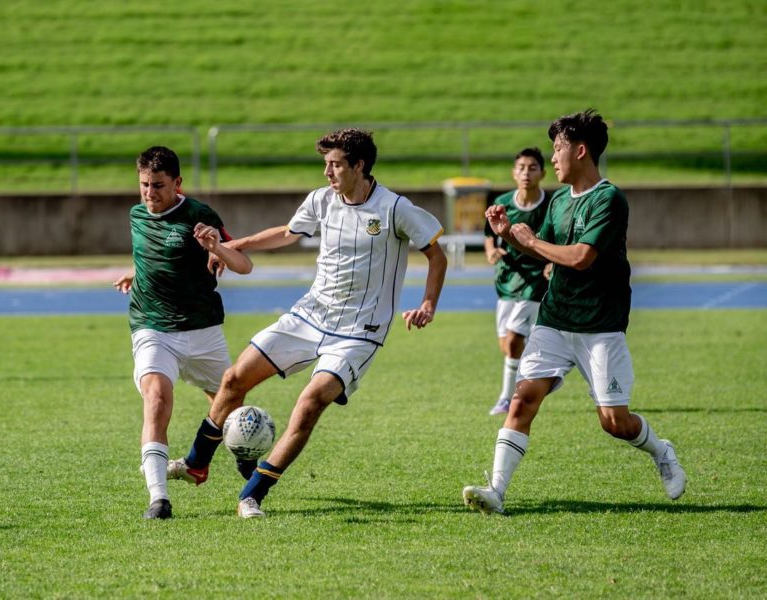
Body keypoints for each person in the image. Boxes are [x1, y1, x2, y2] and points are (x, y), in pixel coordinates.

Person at [167, 128, 448, 518]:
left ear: (359, 166)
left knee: (310, 403)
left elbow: (437, 256)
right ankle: (197, 463)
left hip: (357, 333)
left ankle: (252, 495)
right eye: (326, 164)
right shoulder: (321, 201)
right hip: (309, 315)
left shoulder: (395, 208)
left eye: (335, 165)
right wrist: (233, 246)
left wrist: (428, 304)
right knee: (233, 380)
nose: (327, 173)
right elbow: (286, 233)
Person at [463, 110, 686, 515]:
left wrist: (528, 237)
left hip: (600, 326)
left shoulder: (609, 199)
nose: (553, 159)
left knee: (614, 423)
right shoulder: (560, 200)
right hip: (555, 318)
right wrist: (510, 235)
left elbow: (581, 257)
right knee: (522, 400)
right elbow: (542, 252)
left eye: (558, 149)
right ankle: (496, 490)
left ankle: (661, 450)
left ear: (581, 151)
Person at [113, 145, 252, 520]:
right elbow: (151, 255)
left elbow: (244, 265)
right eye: (143, 185)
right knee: (157, 398)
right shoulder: (137, 215)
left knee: (232, 412)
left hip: (203, 330)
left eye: (158, 185)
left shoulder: (199, 215)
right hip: (152, 326)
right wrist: (136, 273)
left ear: (178, 183)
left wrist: (217, 248)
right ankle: (158, 499)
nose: (149, 193)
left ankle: (244, 466)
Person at [483, 148, 550, 416]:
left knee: (512, 342)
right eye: (521, 167)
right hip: (506, 279)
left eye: (532, 167)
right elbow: (489, 233)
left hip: (535, 280)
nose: (526, 173)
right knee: (507, 347)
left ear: (543, 173)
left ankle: (506, 398)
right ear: (513, 173)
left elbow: (558, 237)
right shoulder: (502, 202)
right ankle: (540, 376)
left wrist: (551, 261)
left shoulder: (551, 205)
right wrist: (491, 251)